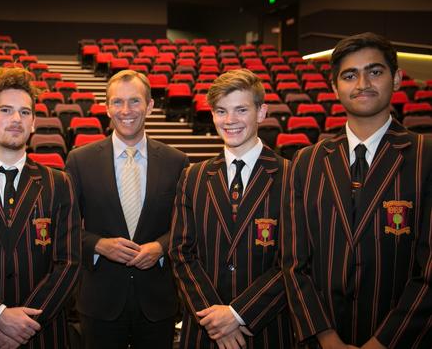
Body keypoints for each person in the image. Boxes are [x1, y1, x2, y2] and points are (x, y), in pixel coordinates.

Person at [282, 32, 432, 348]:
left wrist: (383, 342)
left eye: (374, 71)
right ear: (335, 87)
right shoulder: (306, 162)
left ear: (398, 79)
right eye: (350, 75)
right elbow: (295, 263)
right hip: (322, 338)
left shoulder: (425, 155)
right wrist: (325, 336)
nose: (362, 82)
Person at [0, 67, 81, 349]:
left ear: (34, 122)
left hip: (42, 333)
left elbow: (68, 263)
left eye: (24, 112)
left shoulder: (59, 183)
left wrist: (25, 324)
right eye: (6, 110)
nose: (16, 119)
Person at [169, 69, 292, 348]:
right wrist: (218, 319)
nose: (230, 120)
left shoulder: (291, 175)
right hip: (205, 328)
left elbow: (294, 260)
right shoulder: (193, 176)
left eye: (241, 109)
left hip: (265, 328)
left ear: (261, 112)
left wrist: (239, 314)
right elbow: (180, 252)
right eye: (221, 111)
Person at [65, 69, 188, 349]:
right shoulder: (79, 160)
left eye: (134, 101)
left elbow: (186, 226)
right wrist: (98, 245)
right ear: (107, 107)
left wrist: (160, 247)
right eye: (117, 102)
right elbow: (65, 226)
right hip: (100, 300)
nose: (126, 110)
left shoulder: (176, 161)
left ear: (150, 106)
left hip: (158, 301)